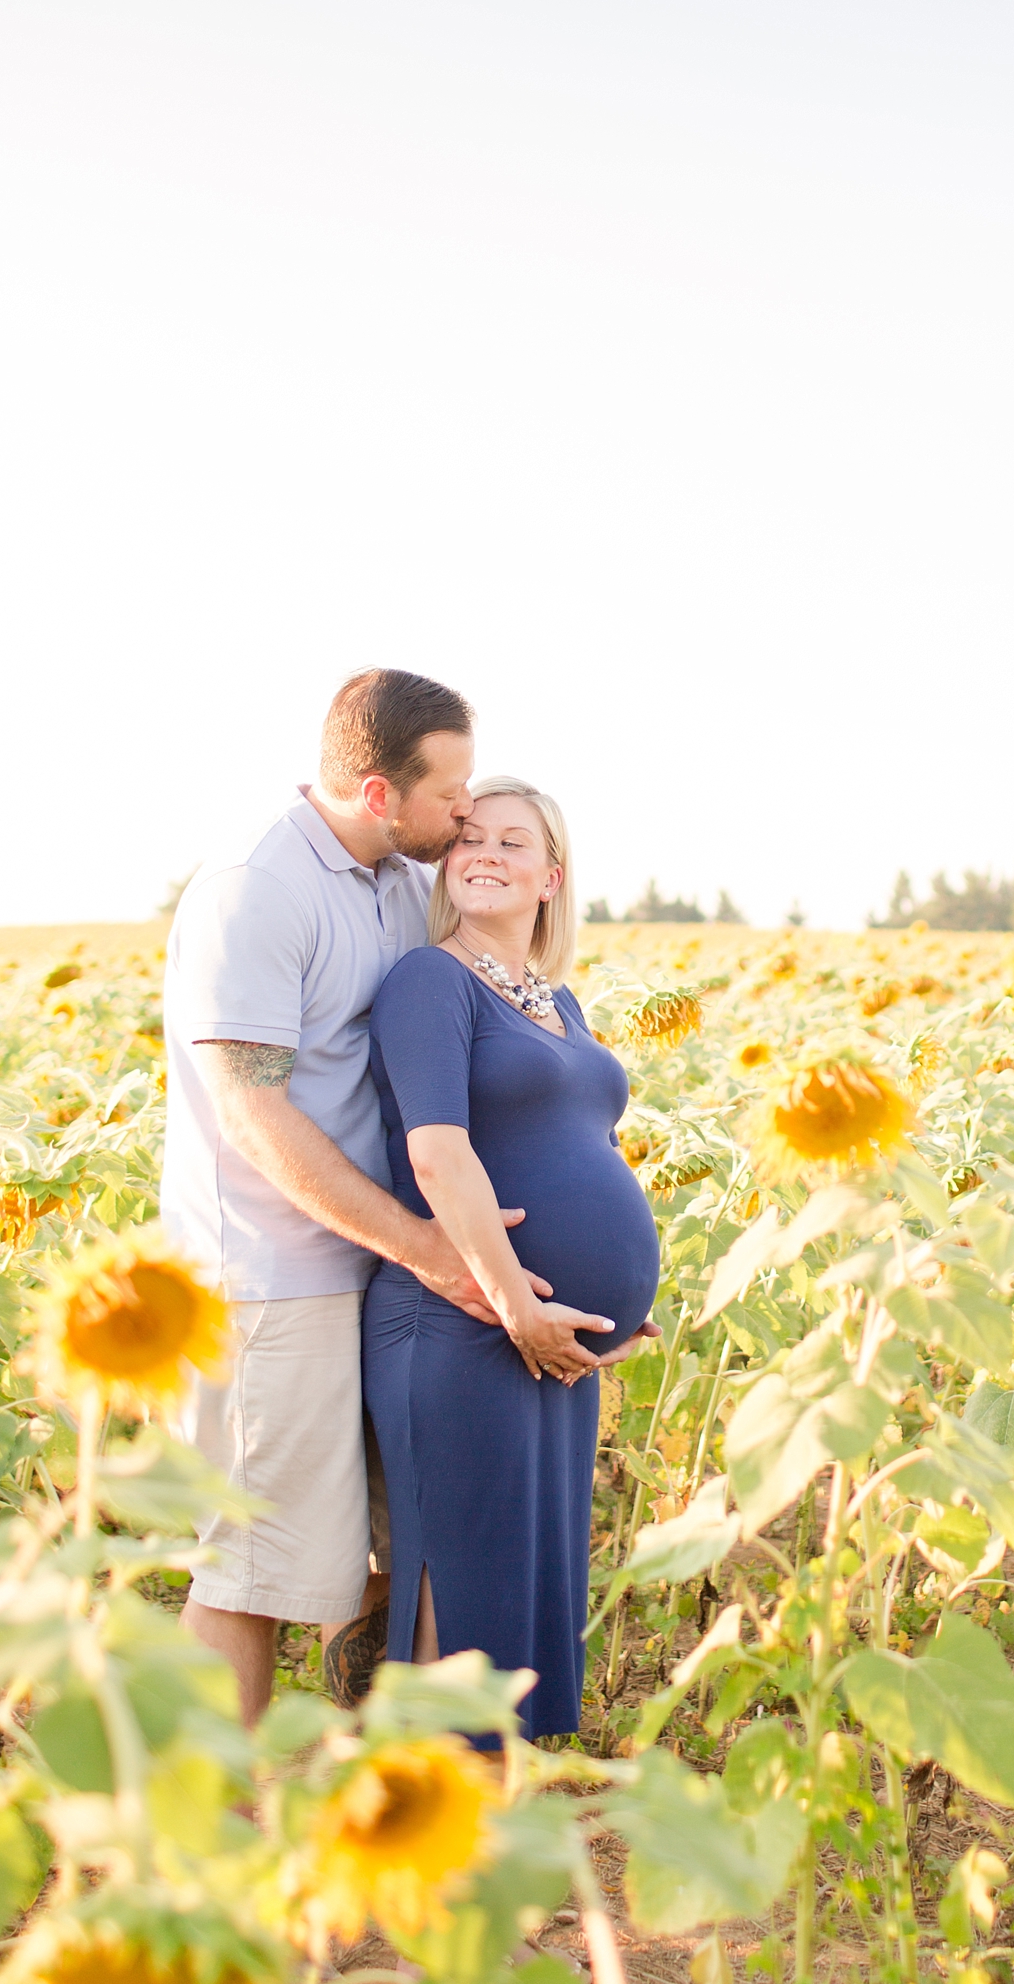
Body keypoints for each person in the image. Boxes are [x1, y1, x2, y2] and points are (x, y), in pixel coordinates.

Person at [159, 668, 591, 1724]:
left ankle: (371, 1755)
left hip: (378, 1271)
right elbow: (254, 1113)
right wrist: (428, 1248)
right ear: (375, 793)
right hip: (274, 1276)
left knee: (389, 1547)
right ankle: (200, 1840)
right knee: (253, 1570)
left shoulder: (400, 881)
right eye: (450, 797)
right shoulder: (254, 890)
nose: (463, 822)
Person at [365, 777, 660, 1740]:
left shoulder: (557, 1001)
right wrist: (518, 1303)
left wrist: (616, 1293)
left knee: (526, 1595)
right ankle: (433, 1864)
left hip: (548, 1339)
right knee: (465, 1596)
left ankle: (496, 1862)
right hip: (463, 1326)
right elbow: (438, 1154)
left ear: (551, 876)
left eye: (512, 842)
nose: (484, 853)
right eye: (468, 839)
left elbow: (583, 1142)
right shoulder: (429, 982)